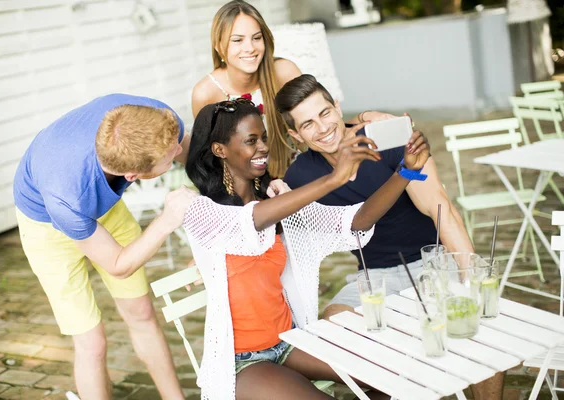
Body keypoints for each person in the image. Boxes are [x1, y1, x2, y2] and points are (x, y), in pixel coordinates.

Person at [181, 97, 430, 399]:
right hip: (243, 361)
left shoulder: (275, 202)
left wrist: (405, 171)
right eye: (251, 141)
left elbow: (356, 221)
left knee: (399, 376)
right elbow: (250, 221)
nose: (262, 148)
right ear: (220, 150)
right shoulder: (201, 211)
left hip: (289, 343)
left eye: (264, 139)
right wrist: (336, 178)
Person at [275, 74, 504, 400]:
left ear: (338, 107)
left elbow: (439, 207)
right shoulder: (300, 176)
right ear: (295, 134)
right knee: (335, 323)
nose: (323, 128)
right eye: (308, 124)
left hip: (431, 261)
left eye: (325, 113)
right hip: (374, 276)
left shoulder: (390, 139)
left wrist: (469, 276)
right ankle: (410, 379)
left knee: (480, 332)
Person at [13, 93, 197, 400]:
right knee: (91, 341)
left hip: (103, 209)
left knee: (140, 311)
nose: (178, 149)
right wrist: (167, 220)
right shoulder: (68, 196)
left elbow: (192, 156)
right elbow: (118, 265)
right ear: (134, 176)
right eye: (170, 157)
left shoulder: (158, 121)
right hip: (46, 226)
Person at [191, 0, 382, 178]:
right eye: (237, 40)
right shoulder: (205, 93)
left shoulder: (283, 71)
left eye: (256, 38)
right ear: (218, 46)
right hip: (246, 187)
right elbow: (209, 159)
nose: (250, 48)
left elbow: (317, 126)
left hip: (298, 173)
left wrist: (363, 118)